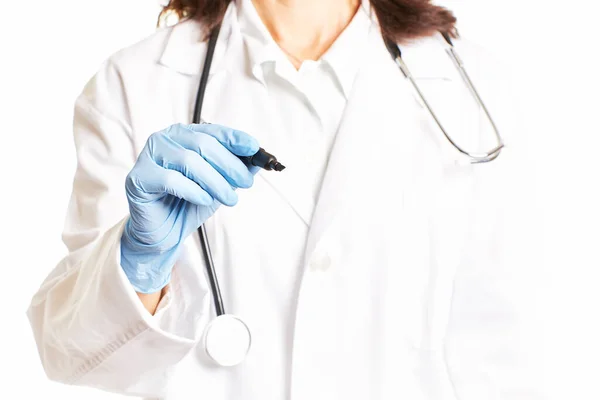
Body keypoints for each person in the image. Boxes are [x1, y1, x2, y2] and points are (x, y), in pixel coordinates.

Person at [27, 0, 544, 398]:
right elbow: (69, 352)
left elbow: (501, 349)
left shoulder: (472, 88)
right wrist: (134, 267)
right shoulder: (134, 82)